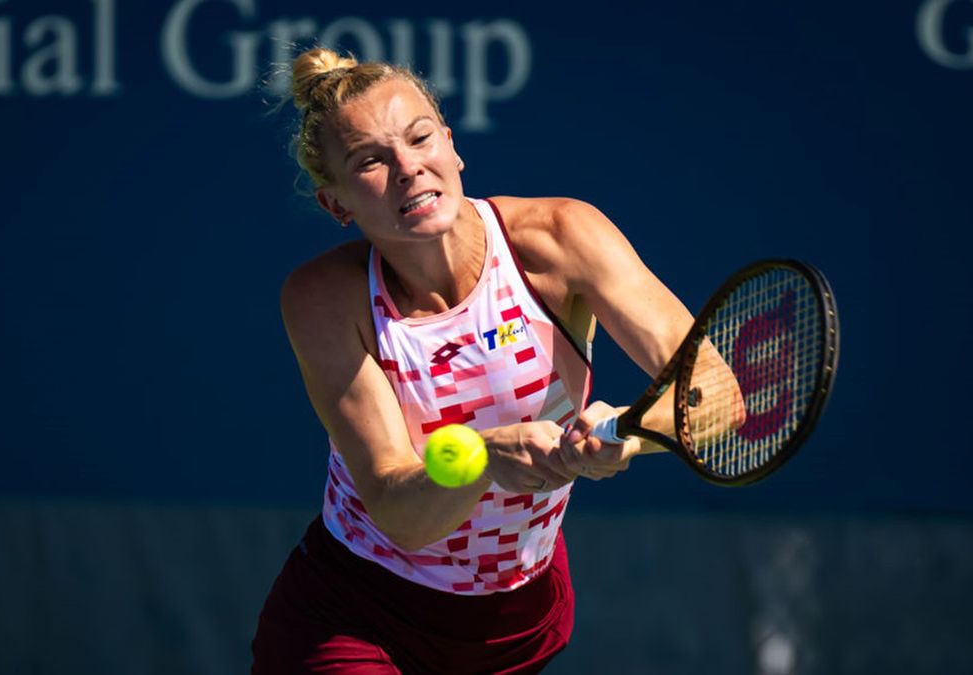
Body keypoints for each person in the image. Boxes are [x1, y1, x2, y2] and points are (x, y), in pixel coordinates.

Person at [251, 46, 696, 674]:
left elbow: (715, 398)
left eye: (420, 138)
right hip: (353, 615)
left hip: (516, 623)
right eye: (371, 161)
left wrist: (631, 436)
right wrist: (486, 456)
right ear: (337, 205)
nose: (408, 169)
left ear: (453, 147)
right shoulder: (323, 299)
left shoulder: (561, 237)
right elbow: (401, 514)